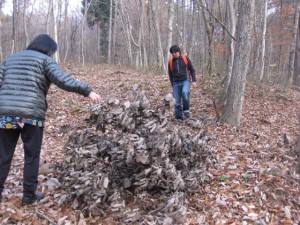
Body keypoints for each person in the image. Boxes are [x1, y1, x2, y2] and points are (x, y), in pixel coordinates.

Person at [0, 34, 102, 205]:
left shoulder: (11, 59)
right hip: (31, 116)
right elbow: (63, 80)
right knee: (31, 156)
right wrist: (87, 91)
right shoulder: (45, 61)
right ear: (47, 49)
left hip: (6, 115)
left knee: (3, 156)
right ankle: (28, 196)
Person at [168, 45, 196, 123]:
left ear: (179, 52)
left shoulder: (185, 59)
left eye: (175, 52)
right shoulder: (170, 63)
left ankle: (186, 110)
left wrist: (194, 81)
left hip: (185, 81)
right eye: (172, 53)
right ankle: (179, 118)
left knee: (185, 93)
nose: (174, 54)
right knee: (177, 102)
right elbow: (170, 75)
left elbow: (192, 70)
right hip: (176, 83)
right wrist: (172, 84)